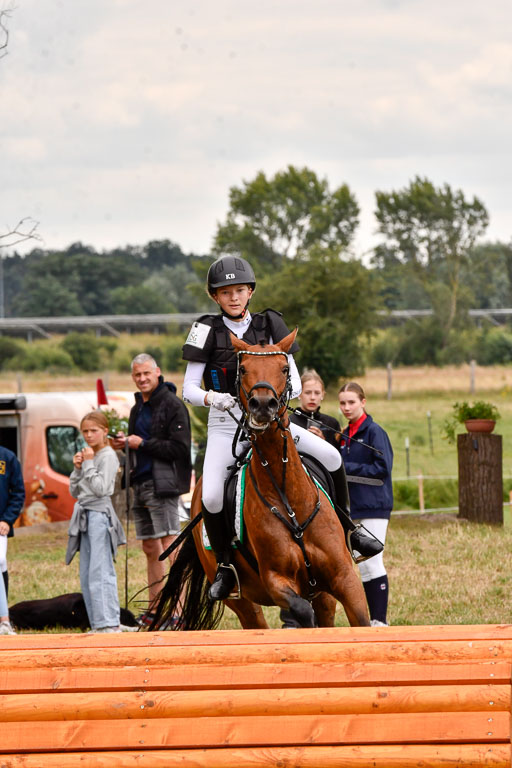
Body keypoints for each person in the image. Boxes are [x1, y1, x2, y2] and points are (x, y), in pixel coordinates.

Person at [182, 254, 382, 603]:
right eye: (225, 292)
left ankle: (351, 531)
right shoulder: (205, 330)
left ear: (250, 292)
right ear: (215, 296)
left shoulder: (270, 323)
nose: (233, 297)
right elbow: (188, 389)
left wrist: (272, 400)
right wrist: (217, 400)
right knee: (212, 494)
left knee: (330, 455)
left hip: (274, 421)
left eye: (240, 290)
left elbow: (292, 382)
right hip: (225, 423)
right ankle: (227, 568)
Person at [112, 354, 192, 626]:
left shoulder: (173, 405)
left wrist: (142, 444)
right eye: (137, 375)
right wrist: (125, 444)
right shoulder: (137, 407)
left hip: (165, 485)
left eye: (146, 373)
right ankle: (155, 609)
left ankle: (179, 612)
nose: (142, 379)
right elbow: (138, 443)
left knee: (171, 544)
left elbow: (179, 449)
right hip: (140, 482)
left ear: (158, 372)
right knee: (149, 547)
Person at [67, 411, 128, 633]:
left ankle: (109, 623)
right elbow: (75, 490)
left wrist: (89, 465)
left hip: (100, 514)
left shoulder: (108, 456)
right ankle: (98, 623)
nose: (89, 435)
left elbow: (103, 489)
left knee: (100, 570)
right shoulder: (89, 455)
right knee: (87, 572)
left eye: (94, 431)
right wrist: (77, 469)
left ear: (104, 431)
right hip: (84, 514)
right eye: (85, 431)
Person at [338, 382, 393, 627]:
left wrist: (345, 468)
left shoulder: (374, 432)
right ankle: (371, 621)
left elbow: (382, 470)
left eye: (351, 402)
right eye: (342, 403)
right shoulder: (345, 434)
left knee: (372, 562)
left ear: (363, 402)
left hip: (374, 506)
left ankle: (380, 621)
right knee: (362, 565)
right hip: (353, 508)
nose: (347, 407)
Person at [0, 445, 25, 635]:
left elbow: (18, 492)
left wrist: (7, 519)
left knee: (0, 563)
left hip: (0, 524)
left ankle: (3, 619)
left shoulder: (7, 457)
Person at [289, 369, 341, 448]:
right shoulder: (289, 422)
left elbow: (338, 456)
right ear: (299, 394)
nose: (312, 397)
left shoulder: (332, 423)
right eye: (307, 392)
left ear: (323, 395)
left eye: (317, 393)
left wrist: (323, 442)